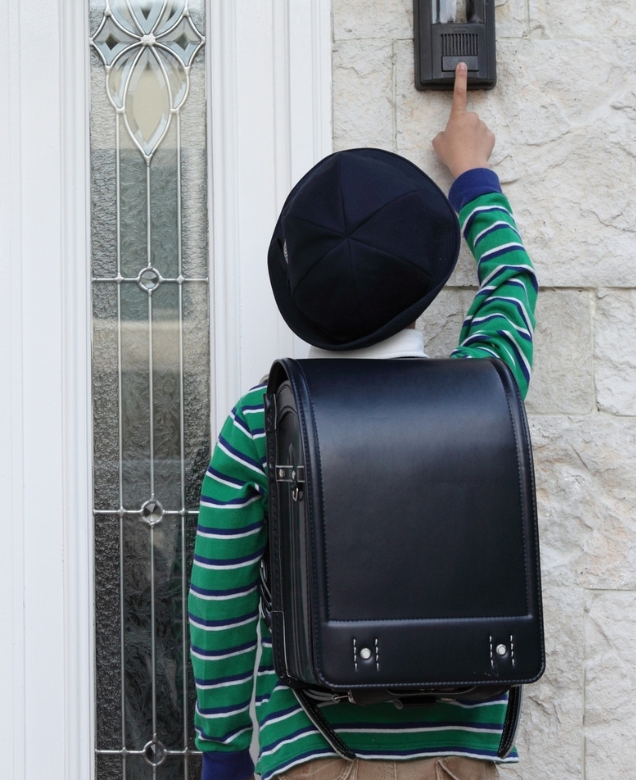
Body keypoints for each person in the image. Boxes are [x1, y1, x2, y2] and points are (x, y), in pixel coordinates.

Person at [189, 63, 538, 780]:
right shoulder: (486, 389)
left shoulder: (263, 422)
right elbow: (511, 284)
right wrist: (472, 174)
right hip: (456, 761)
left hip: (314, 754)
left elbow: (220, 602)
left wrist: (223, 752)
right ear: (424, 281)